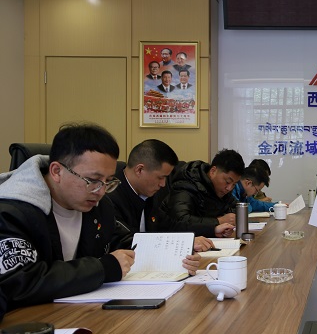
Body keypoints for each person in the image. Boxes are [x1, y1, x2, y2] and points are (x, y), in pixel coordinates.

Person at [0, 124, 196, 320]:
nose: (101, 191)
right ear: (57, 171)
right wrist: (103, 268)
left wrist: (177, 255)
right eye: (93, 180)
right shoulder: (12, 212)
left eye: (108, 181)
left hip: (80, 314)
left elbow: (122, 241)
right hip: (28, 323)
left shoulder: (99, 207)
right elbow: (19, 281)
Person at [107, 139, 214, 252]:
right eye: (160, 177)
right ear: (139, 170)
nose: (163, 184)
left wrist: (211, 229)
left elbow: (169, 225)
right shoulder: (110, 196)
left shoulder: (149, 193)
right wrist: (180, 244)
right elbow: (125, 241)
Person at [154, 149, 245, 238]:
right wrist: (218, 221)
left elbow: (236, 207)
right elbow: (180, 220)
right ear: (213, 171)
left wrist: (228, 221)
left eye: (234, 184)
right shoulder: (186, 184)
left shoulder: (222, 190)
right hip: (169, 239)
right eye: (228, 182)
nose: (229, 188)